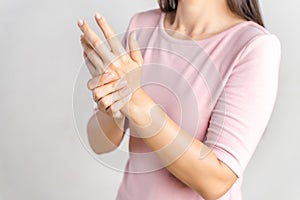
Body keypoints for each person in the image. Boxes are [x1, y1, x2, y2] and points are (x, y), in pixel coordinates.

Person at [77, 0, 281, 199]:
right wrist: (111, 107)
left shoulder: (254, 46)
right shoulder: (141, 26)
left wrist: (134, 101)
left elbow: (216, 182)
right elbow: (99, 144)